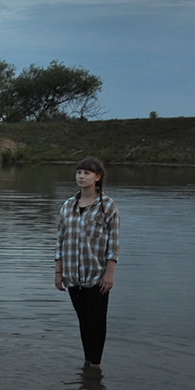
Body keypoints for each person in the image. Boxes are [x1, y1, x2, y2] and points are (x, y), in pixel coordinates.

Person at [54, 156, 120, 370]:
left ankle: (96, 365)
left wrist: (110, 273)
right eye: (79, 172)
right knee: (83, 320)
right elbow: (60, 240)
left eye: (87, 173)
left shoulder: (107, 206)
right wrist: (58, 272)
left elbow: (114, 242)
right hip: (72, 275)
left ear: (97, 177)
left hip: (97, 275)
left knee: (97, 321)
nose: (81, 177)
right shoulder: (67, 206)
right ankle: (88, 363)